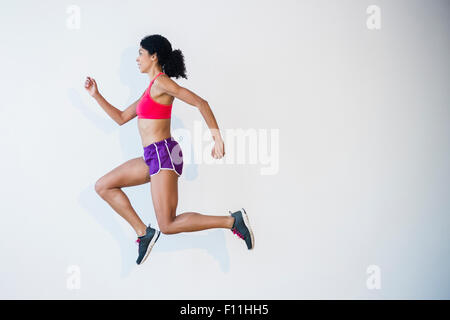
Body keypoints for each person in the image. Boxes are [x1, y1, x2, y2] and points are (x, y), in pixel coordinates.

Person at [85, 34, 254, 265]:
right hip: (152, 157)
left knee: (168, 224)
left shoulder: (162, 83)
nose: (137, 59)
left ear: (154, 56)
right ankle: (144, 233)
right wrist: (96, 96)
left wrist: (217, 138)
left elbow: (200, 103)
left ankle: (232, 221)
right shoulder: (149, 90)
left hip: (164, 154)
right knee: (103, 186)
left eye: (141, 54)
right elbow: (122, 117)